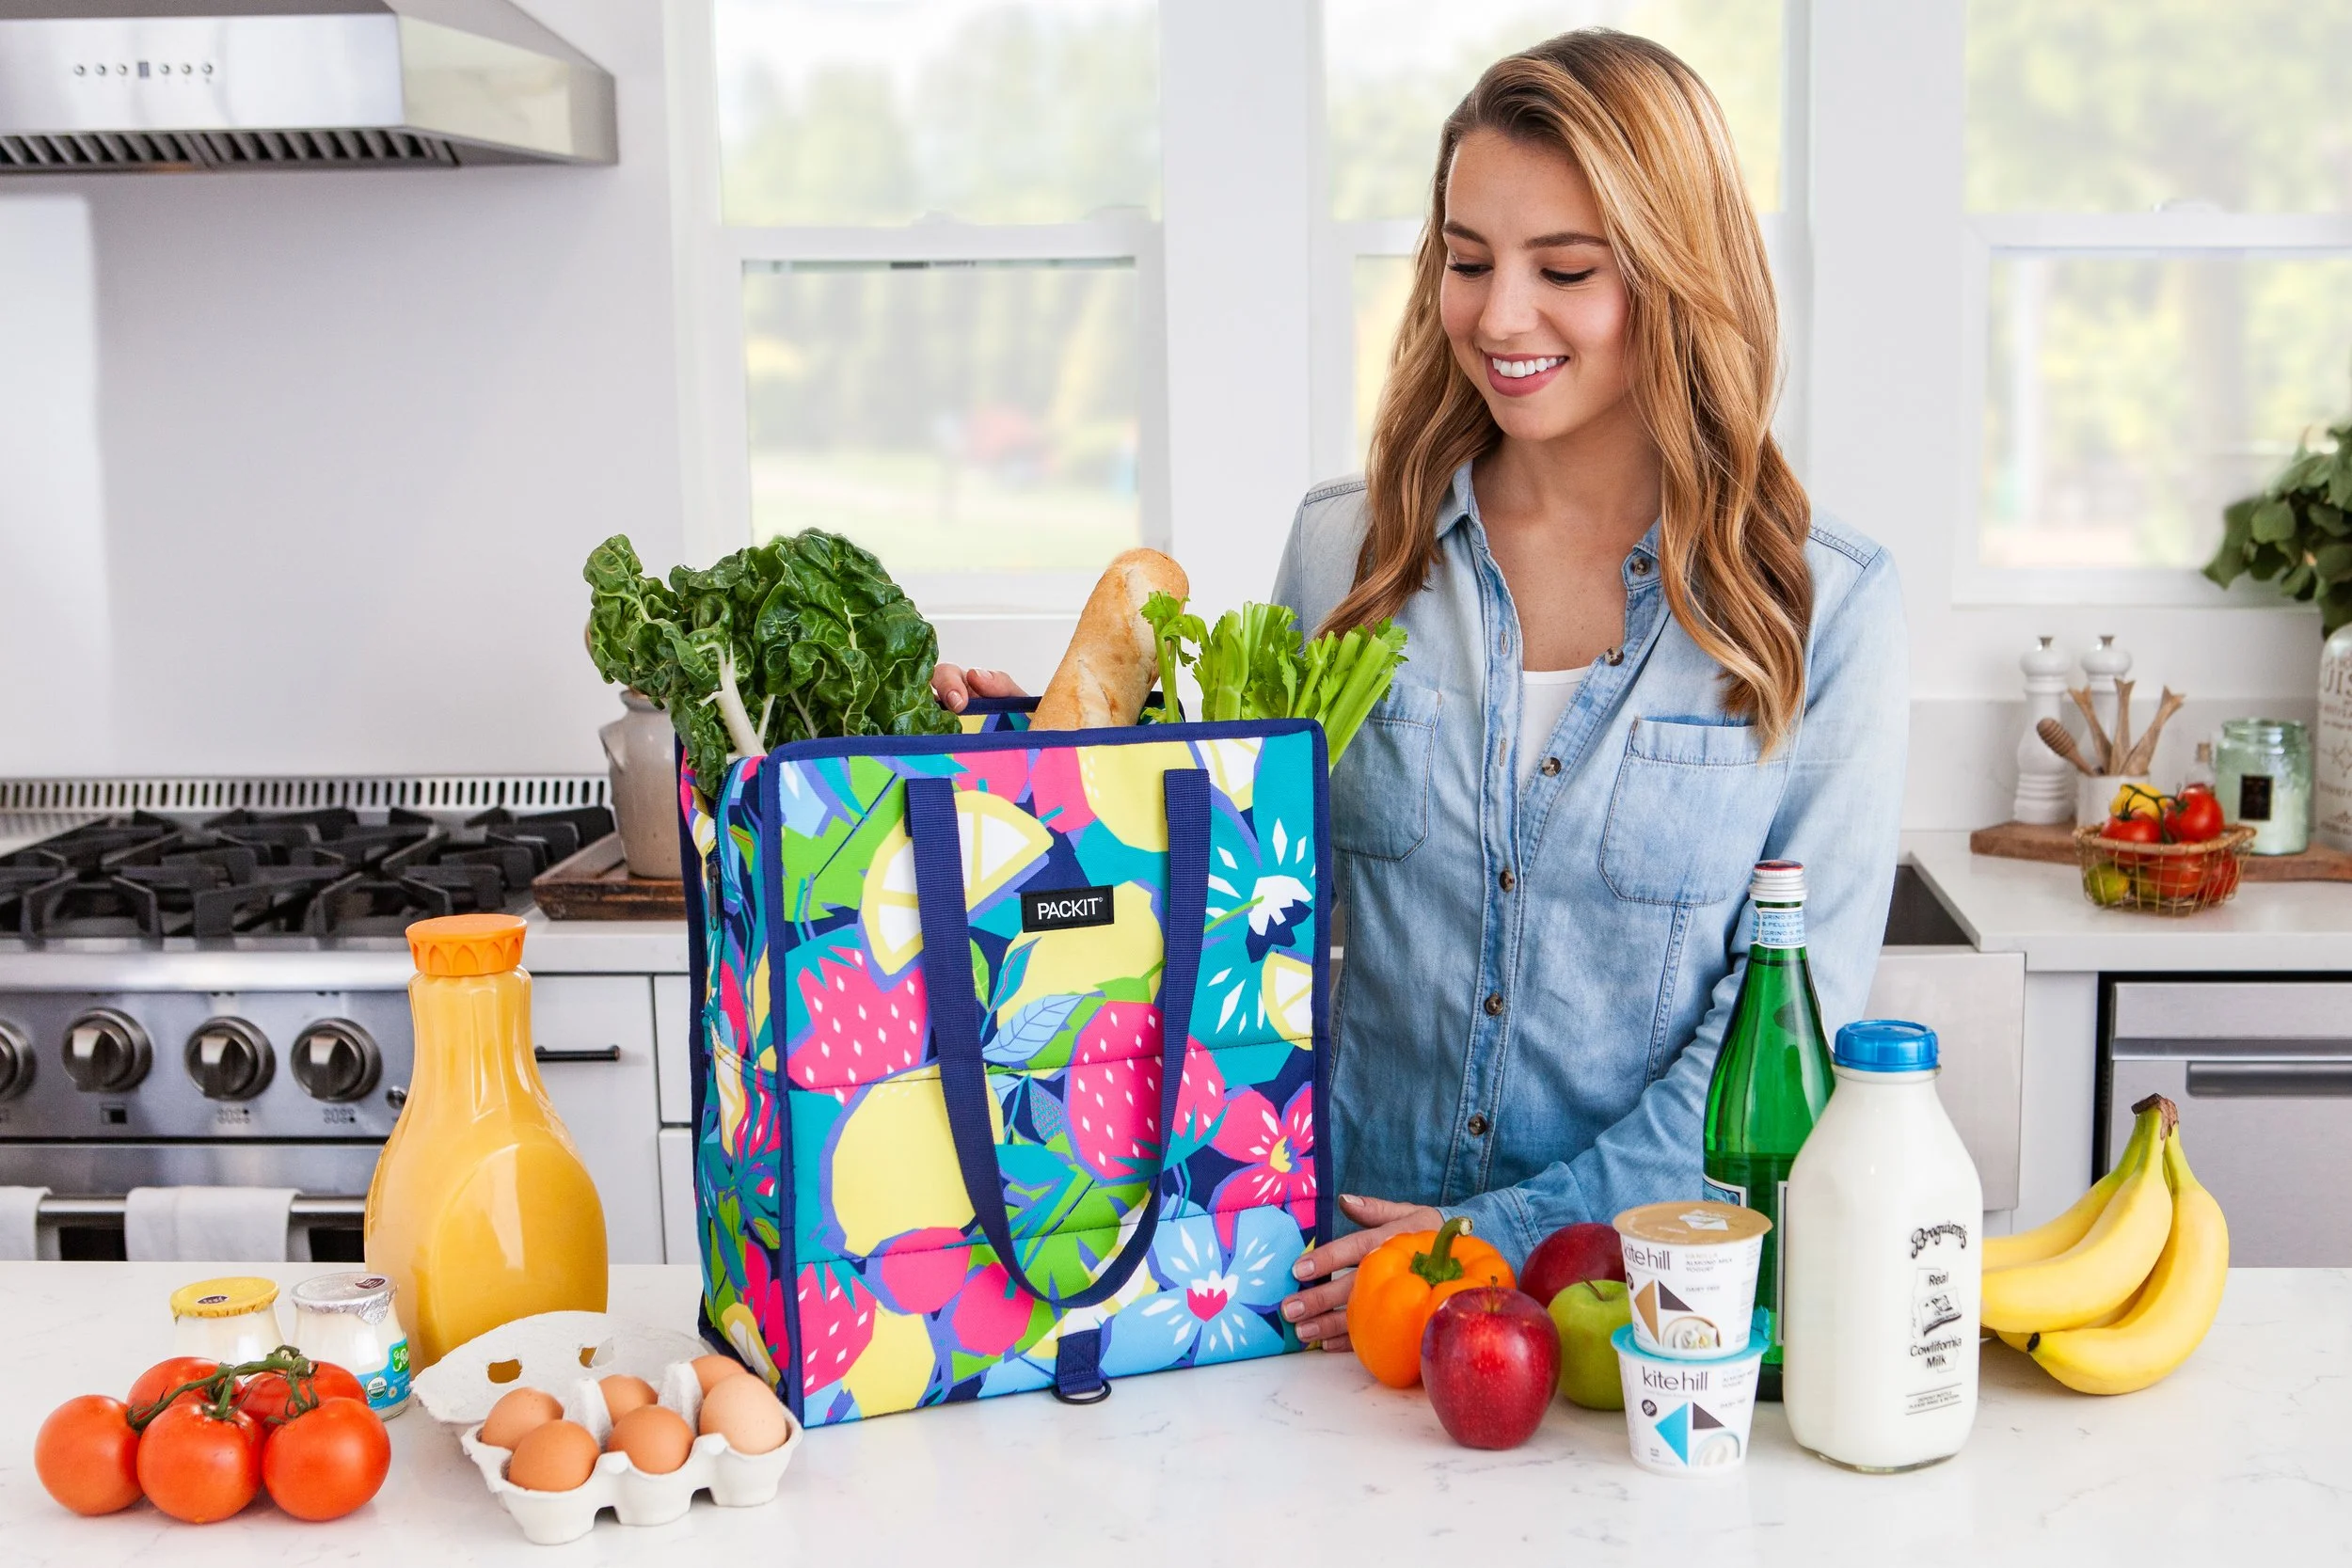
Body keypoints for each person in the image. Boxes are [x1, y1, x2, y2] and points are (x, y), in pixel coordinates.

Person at [933, 29, 1904, 1354]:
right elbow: (1227, 910)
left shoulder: (1820, 606)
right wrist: (1040, 783)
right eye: (1465, 260)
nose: (1500, 316)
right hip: (1325, 1299)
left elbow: (1785, 1043)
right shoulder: (1346, 555)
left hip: (1632, 1320)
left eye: (1564, 268)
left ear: (1680, 280)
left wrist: (1487, 1242)